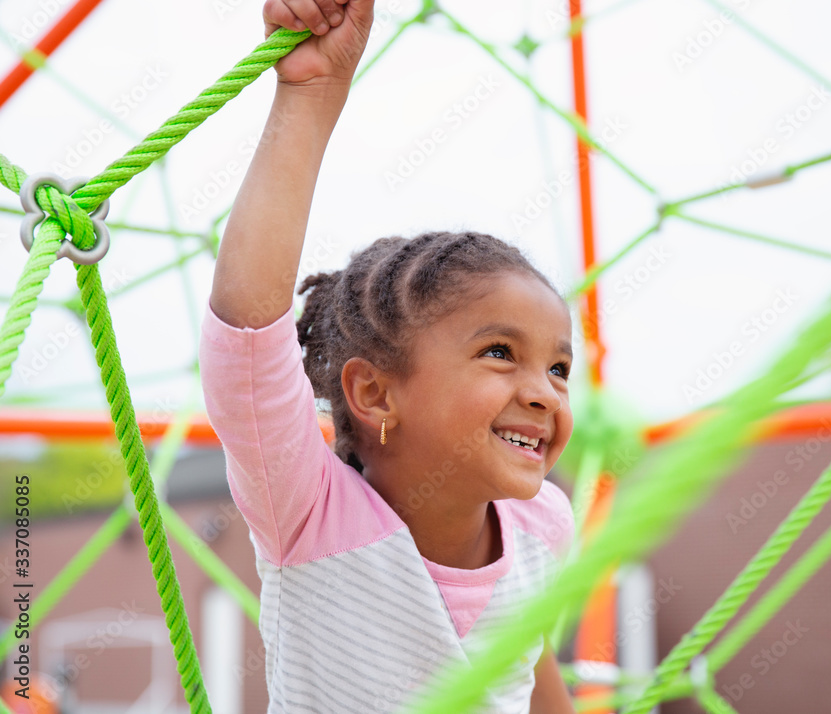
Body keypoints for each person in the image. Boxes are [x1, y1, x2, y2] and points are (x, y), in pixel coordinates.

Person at [198, 0, 578, 711]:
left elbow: (529, 661)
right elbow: (246, 345)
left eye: (559, 368)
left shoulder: (543, 527)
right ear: (375, 394)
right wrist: (311, 95)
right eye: (501, 352)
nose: (545, 393)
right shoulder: (310, 515)